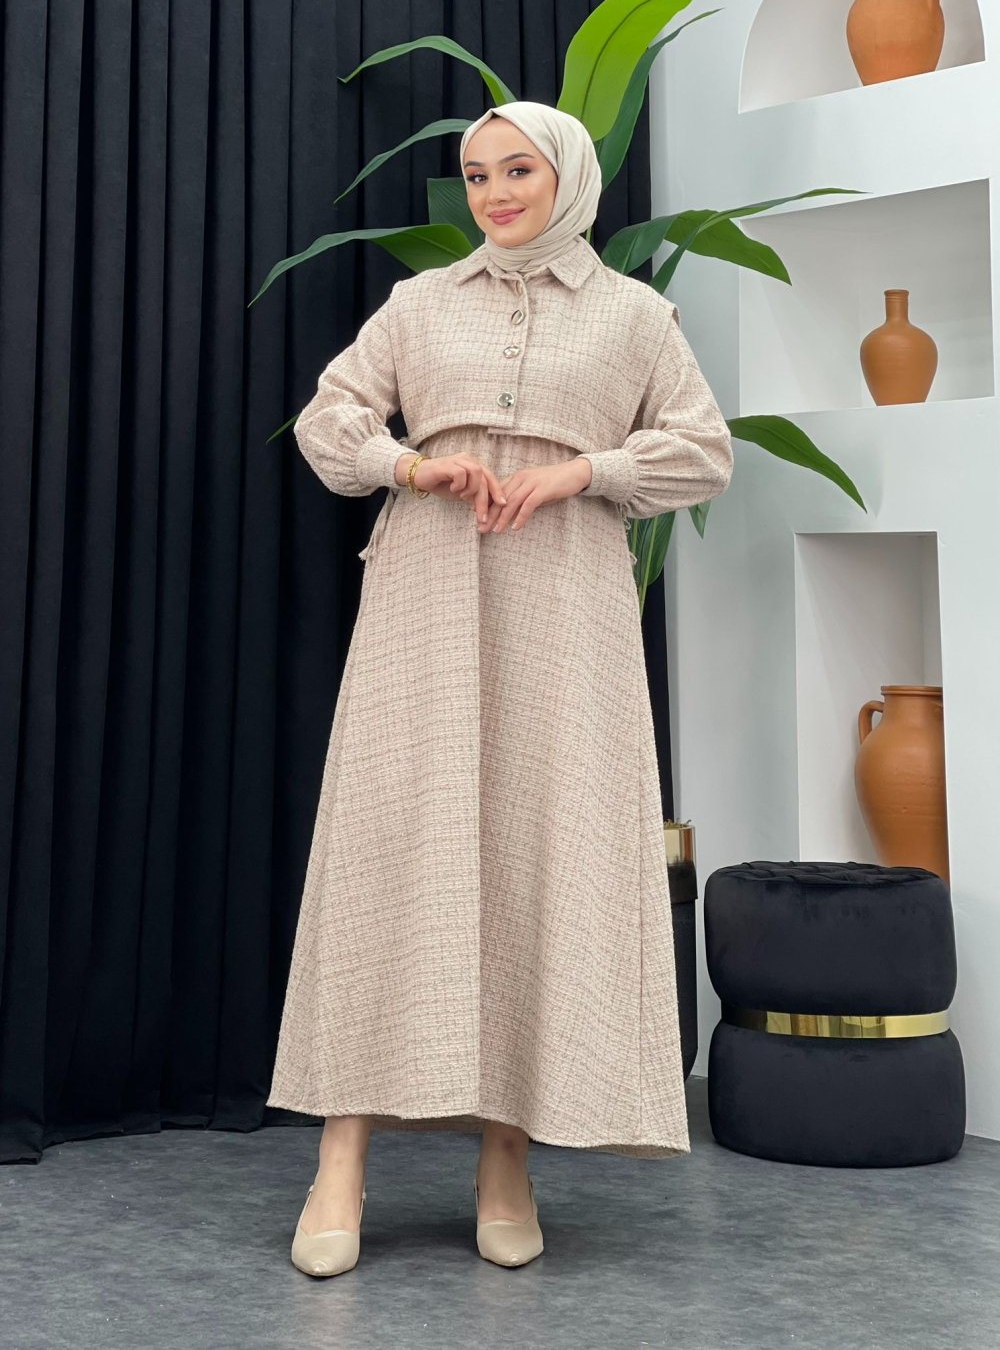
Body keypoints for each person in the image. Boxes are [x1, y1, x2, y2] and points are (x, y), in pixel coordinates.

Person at [266, 100, 734, 1276]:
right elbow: (331, 420)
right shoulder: (421, 304)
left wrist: (585, 471)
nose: (494, 194)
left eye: (517, 170)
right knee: (387, 851)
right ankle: (340, 1160)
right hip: (425, 586)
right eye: (476, 176)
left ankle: (506, 1159)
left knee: (537, 848)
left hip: (566, 599)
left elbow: (702, 450)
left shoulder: (635, 318)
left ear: (564, 175)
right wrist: (411, 464)